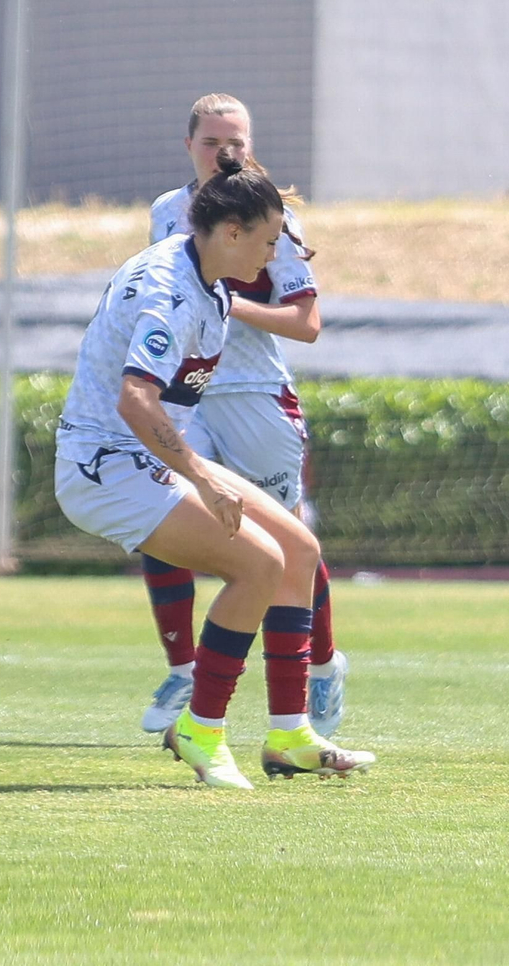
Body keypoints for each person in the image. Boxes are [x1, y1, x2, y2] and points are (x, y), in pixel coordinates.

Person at [54, 152, 375, 789]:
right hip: (103, 465)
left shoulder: (212, 287)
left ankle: (289, 735)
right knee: (257, 565)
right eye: (266, 241)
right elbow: (135, 400)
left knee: (299, 549)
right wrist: (201, 475)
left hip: (142, 456)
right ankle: (202, 726)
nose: (272, 256)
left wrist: (197, 471)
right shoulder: (171, 287)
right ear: (231, 232)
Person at [138, 94, 349, 739]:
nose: (225, 153)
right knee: (158, 510)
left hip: (258, 393)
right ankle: (185, 669)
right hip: (193, 389)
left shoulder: (273, 218)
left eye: (237, 142)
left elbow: (307, 325)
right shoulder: (167, 214)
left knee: (291, 545)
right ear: (189, 146)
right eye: (212, 142)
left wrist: (227, 301)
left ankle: (321, 669)